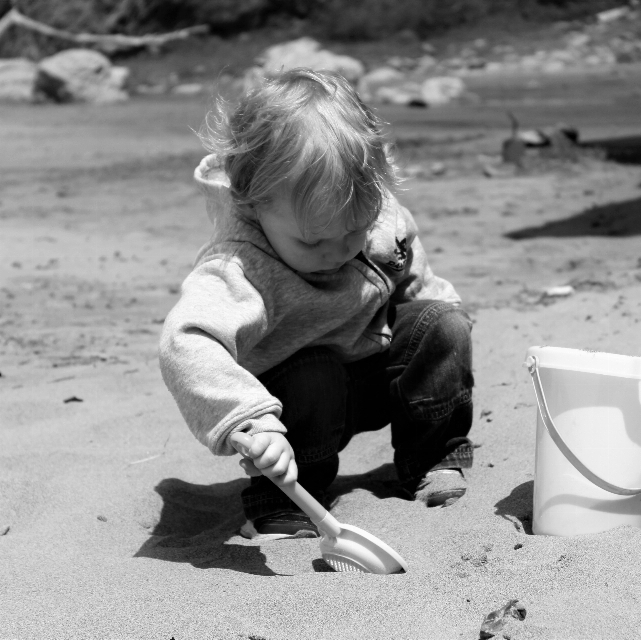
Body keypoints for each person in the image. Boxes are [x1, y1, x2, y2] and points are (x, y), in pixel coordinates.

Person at [159, 68, 474, 539]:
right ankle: (286, 497)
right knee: (314, 372)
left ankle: (431, 459)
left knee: (443, 324)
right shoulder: (239, 265)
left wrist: (446, 330)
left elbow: (411, 280)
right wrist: (252, 421)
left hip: (375, 373)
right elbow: (187, 342)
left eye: (354, 229)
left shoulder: (376, 213)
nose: (339, 251)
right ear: (253, 202)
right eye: (313, 242)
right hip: (294, 406)